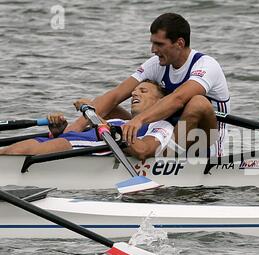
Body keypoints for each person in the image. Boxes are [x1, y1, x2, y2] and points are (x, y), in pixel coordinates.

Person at [69, 12, 230, 157]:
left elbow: (178, 99)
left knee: (198, 103)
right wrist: (72, 129)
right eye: (152, 43)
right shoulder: (158, 63)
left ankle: (167, 159)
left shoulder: (206, 65)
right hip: (166, 131)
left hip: (205, 142)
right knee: (106, 105)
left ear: (180, 43)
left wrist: (139, 120)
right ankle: (72, 139)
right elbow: (117, 94)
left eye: (159, 44)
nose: (153, 49)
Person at [0, 81, 173, 161]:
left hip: (81, 147)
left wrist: (97, 117)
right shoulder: (121, 120)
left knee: (14, 153)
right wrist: (59, 129)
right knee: (8, 151)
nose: (135, 94)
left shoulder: (161, 125)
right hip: (69, 141)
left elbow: (143, 151)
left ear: (160, 102)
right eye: (134, 91)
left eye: (143, 91)